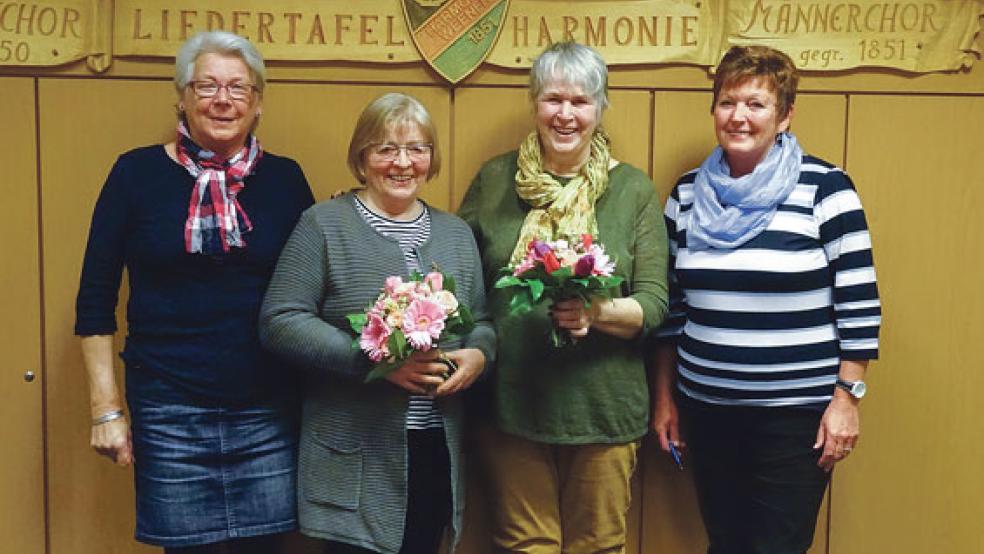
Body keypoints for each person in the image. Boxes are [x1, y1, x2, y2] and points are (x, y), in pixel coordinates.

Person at [74, 31, 315, 553]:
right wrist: (106, 411)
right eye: (205, 85)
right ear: (181, 96)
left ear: (258, 103)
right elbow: (94, 299)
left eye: (237, 87)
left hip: (269, 409)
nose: (222, 100)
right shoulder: (134, 174)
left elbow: (311, 291)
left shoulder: (286, 179)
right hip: (168, 408)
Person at [651, 45, 882, 554]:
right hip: (707, 408)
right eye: (728, 102)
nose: (739, 116)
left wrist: (847, 399)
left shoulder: (827, 189)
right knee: (726, 543)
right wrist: (665, 400)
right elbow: (672, 311)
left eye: (756, 104)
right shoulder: (687, 194)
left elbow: (860, 305)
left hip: (797, 417)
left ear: (784, 116)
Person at [259, 92, 495, 554]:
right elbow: (280, 320)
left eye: (417, 149)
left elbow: (482, 320)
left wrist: (481, 354)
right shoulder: (323, 225)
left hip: (434, 449)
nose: (403, 163)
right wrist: (374, 361)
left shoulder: (456, 233)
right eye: (386, 148)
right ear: (362, 157)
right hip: (356, 454)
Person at [458, 41, 668, 552]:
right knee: (525, 546)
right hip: (512, 402)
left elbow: (655, 303)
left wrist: (596, 313)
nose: (566, 114)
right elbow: (458, 276)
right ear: (534, 103)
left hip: (603, 410)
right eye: (554, 99)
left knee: (598, 546)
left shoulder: (632, 190)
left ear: (600, 107)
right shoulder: (493, 180)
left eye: (581, 101)